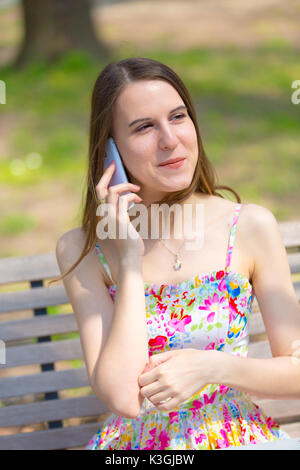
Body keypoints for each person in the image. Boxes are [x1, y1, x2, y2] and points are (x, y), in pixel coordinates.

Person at [53, 57, 298, 450]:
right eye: (144, 127)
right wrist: (130, 261)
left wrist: (214, 367)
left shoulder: (249, 226)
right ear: (110, 150)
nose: (169, 139)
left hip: (238, 438)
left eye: (178, 117)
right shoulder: (83, 249)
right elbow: (123, 398)